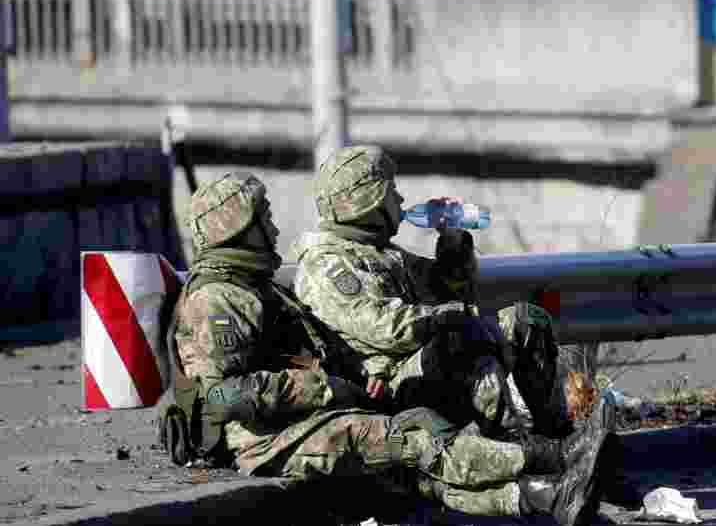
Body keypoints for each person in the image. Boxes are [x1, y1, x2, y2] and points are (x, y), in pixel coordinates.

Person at [159, 171, 616, 526]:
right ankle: (554, 459)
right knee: (412, 441)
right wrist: (323, 389)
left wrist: (352, 380)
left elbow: (305, 347)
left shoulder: (251, 287)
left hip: (302, 419)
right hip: (264, 440)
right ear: (239, 229)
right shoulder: (216, 299)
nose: (274, 228)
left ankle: (549, 496)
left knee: (414, 457)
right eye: (264, 220)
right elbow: (221, 398)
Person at [290, 145, 572, 441]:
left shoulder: (379, 252)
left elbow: (449, 290)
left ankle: (554, 434)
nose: (399, 199)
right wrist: (453, 318)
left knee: (525, 320)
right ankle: (516, 449)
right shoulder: (327, 263)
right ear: (366, 200)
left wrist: (452, 242)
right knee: (460, 338)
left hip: (415, 367)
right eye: (390, 191)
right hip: (381, 390)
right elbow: (386, 328)